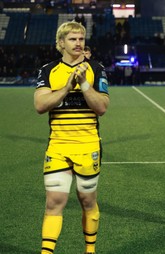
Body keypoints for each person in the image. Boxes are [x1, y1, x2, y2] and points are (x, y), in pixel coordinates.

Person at [34, 21, 110, 254]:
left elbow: (102, 107)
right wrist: (67, 87)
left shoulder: (96, 69)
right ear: (61, 43)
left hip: (88, 147)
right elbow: (40, 105)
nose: (78, 43)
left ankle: (90, 250)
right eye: (73, 39)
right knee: (54, 202)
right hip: (58, 148)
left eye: (81, 39)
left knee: (87, 202)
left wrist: (85, 84)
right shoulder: (48, 70)